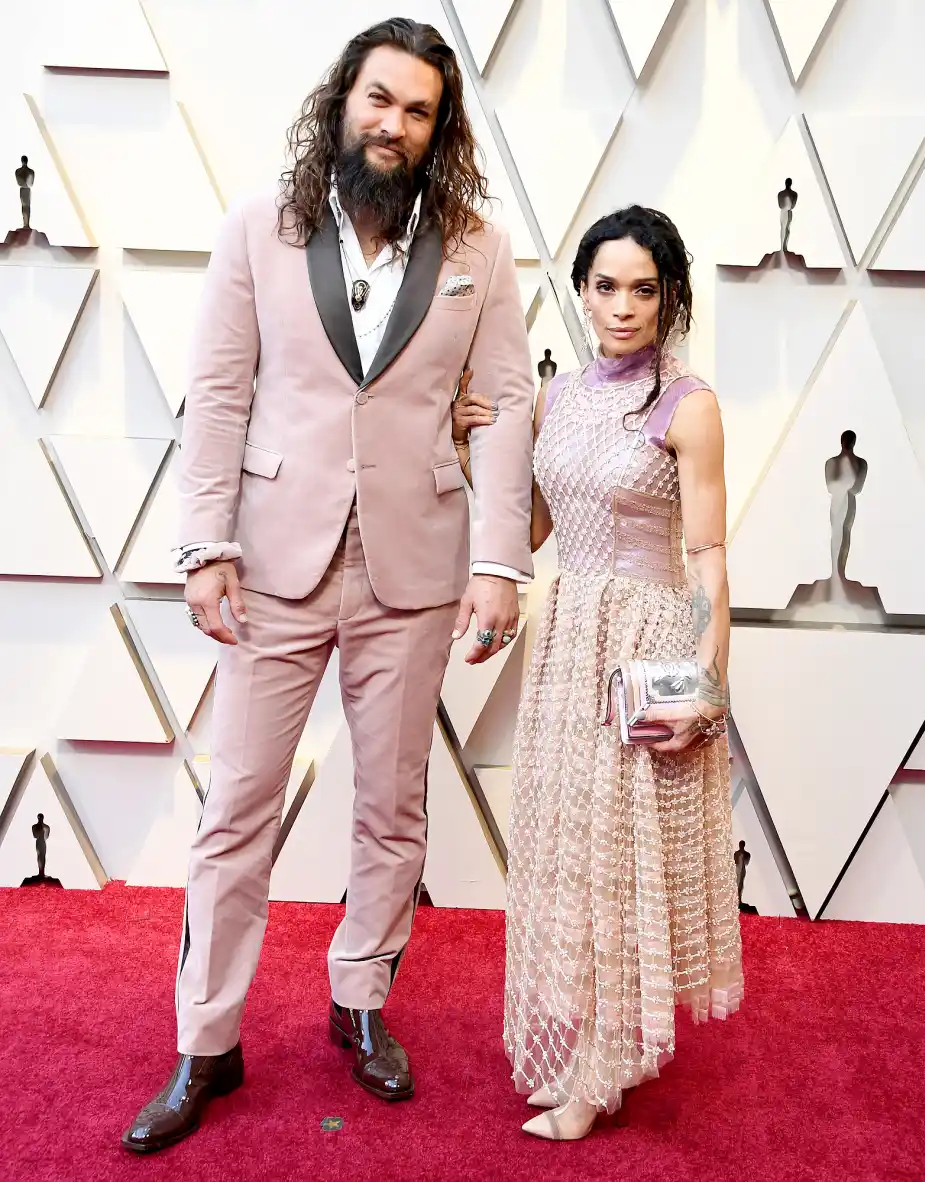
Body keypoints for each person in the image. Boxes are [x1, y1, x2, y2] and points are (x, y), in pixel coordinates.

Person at [122, 17, 534, 1154]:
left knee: (391, 806)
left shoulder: (478, 249)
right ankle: (206, 1037)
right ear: (341, 100)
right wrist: (204, 545)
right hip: (275, 562)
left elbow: (502, 407)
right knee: (237, 806)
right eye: (378, 99)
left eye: (417, 110)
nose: (393, 123)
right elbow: (217, 392)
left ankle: (360, 1004)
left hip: (414, 564)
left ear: (437, 130)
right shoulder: (260, 226)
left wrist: (500, 564)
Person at [453, 205, 744, 1141]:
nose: (623, 307)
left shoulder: (687, 405)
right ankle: (592, 1053)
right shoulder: (559, 396)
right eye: (605, 286)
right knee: (573, 853)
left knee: (625, 862)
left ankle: (599, 1072)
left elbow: (707, 558)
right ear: (580, 291)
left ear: (671, 299)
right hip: (568, 639)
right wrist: (470, 447)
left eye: (643, 290)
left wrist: (706, 686)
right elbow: (536, 532)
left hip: (644, 647)